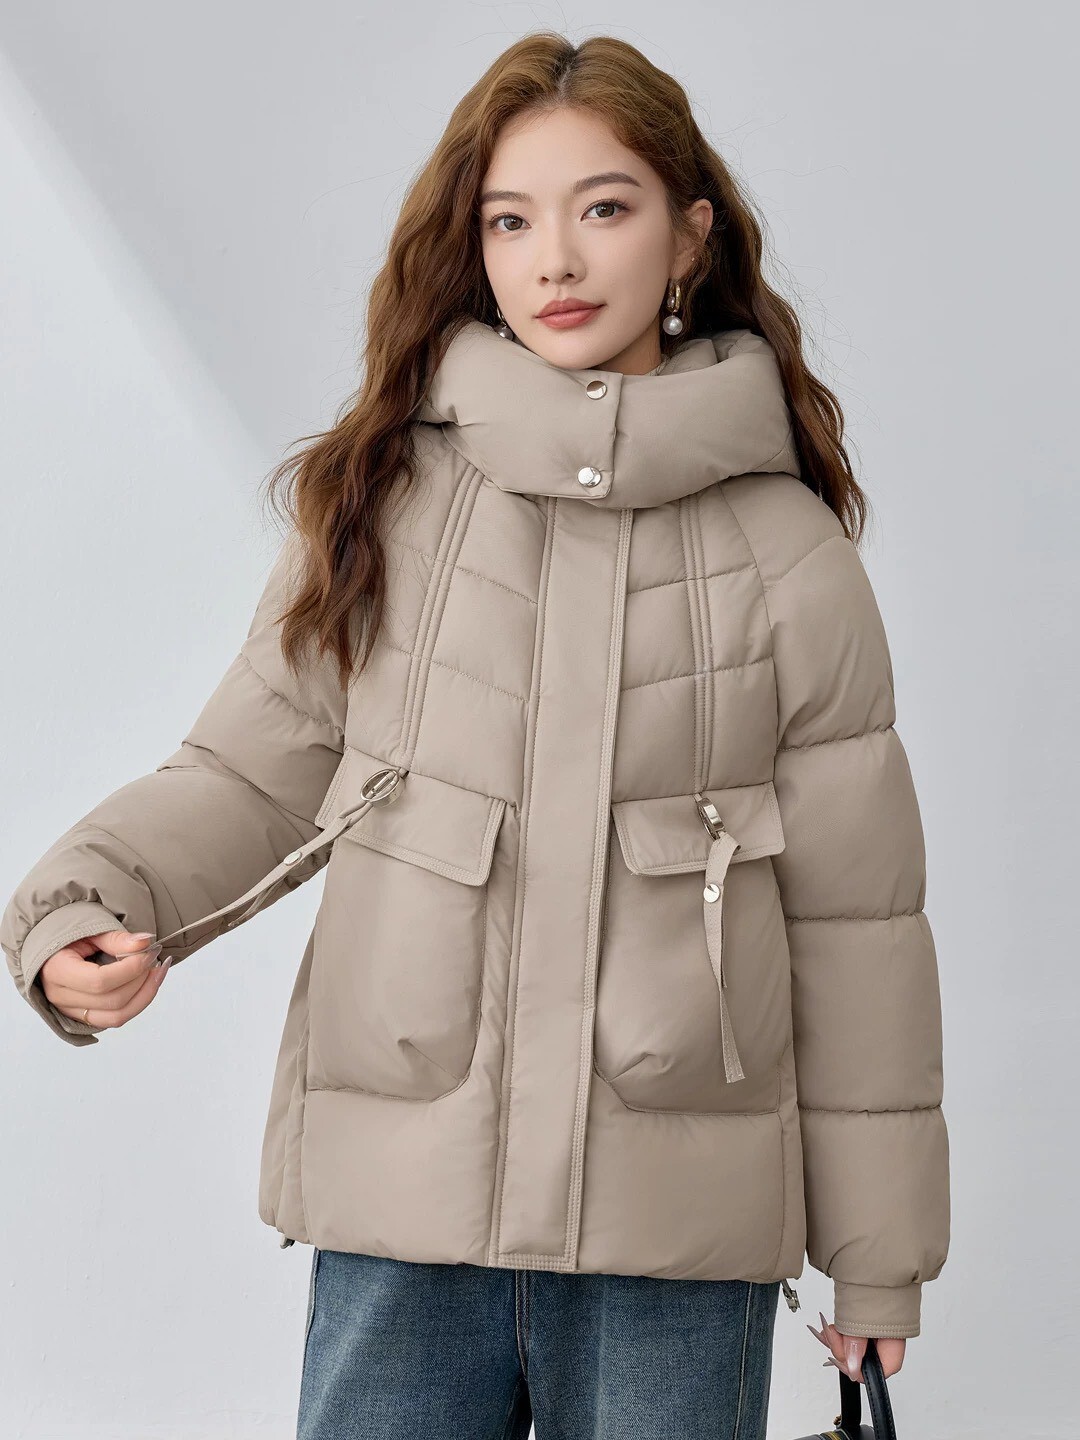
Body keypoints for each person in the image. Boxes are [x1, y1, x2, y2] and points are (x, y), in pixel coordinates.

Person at [0, 31, 950, 1440]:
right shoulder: (391, 505)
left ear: (689, 234)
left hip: (673, 1248)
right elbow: (255, 769)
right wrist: (82, 898)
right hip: (405, 1216)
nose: (555, 259)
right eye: (511, 221)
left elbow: (858, 929)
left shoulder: (788, 556)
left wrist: (879, 1257)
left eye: (603, 208)